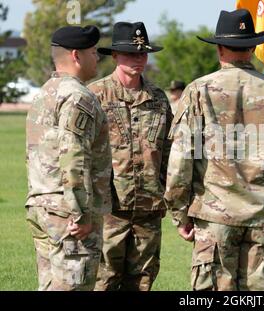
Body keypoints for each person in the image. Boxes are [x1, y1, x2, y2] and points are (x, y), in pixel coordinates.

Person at [164, 9, 264, 291]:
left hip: (214, 216)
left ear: (219, 48)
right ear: (253, 47)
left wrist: (179, 214)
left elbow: (181, 161)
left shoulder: (198, 91)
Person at [25, 25, 111, 290]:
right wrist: (81, 212)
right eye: (93, 52)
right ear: (76, 55)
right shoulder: (77, 96)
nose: (97, 57)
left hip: (43, 204)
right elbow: (73, 154)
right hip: (68, 212)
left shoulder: (45, 93)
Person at [89, 22, 173, 291]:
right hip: (109, 207)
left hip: (148, 207)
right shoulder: (95, 95)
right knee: (104, 279)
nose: (138, 59)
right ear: (114, 55)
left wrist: (167, 191)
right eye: (130, 53)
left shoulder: (158, 98)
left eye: (142, 54)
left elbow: (169, 151)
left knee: (143, 281)